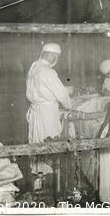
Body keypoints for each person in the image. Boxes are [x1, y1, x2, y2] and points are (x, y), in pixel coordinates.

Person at [26, 43, 72, 174]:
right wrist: (69, 106)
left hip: (37, 111)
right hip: (47, 114)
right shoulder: (48, 71)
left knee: (37, 143)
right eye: (56, 57)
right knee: (50, 143)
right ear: (52, 55)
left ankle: (38, 177)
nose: (55, 60)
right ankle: (51, 176)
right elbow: (62, 94)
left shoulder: (34, 67)